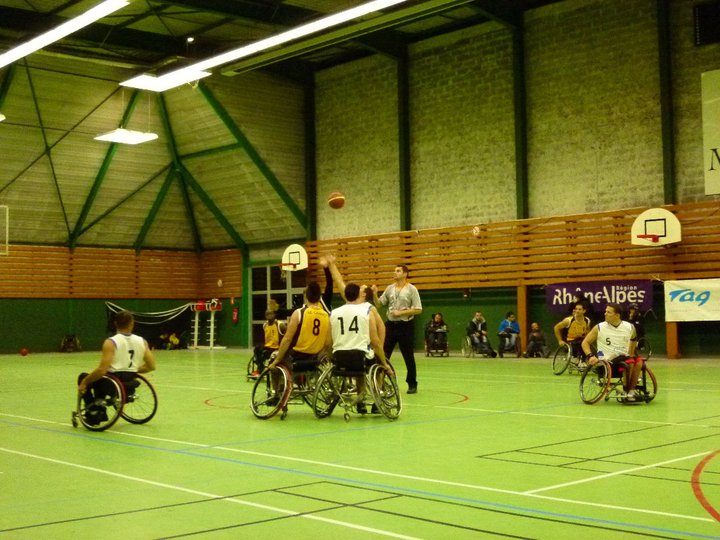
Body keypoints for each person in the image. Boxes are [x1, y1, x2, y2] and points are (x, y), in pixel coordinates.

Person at [77, 310, 156, 424]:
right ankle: (99, 409)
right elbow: (151, 366)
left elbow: (102, 370)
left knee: (84, 377)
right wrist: (132, 370)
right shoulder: (142, 341)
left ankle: (94, 412)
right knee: (101, 378)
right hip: (130, 384)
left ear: (115, 324)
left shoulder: (111, 342)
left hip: (111, 385)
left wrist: (85, 382)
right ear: (132, 323)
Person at [329, 282, 393, 414]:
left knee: (359, 367)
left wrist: (330, 356)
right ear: (358, 294)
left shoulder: (334, 313)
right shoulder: (366, 311)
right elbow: (375, 340)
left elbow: (328, 342)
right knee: (377, 365)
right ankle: (377, 401)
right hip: (360, 355)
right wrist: (384, 361)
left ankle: (360, 403)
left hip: (339, 357)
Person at [372, 264, 423, 394]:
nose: (395, 273)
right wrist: (374, 294)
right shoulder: (389, 289)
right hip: (390, 325)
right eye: (394, 271)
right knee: (383, 354)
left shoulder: (412, 289)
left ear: (405, 274)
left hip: (405, 325)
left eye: (398, 271)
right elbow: (378, 304)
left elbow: (418, 309)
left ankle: (412, 383)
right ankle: (381, 382)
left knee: (408, 356)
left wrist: (401, 313)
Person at [268, 281, 331, 377]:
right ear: (319, 297)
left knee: (273, 358)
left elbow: (287, 339)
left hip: (297, 356)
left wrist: (277, 360)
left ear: (306, 296)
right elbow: (327, 343)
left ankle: (276, 390)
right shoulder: (326, 316)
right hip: (315, 358)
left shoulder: (299, 313)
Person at [582, 302, 642, 402]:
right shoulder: (599, 327)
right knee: (629, 362)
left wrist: (631, 352)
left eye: (609, 312)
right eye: (605, 311)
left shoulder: (629, 327)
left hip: (624, 357)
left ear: (617, 315)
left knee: (639, 361)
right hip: (607, 362)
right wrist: (590, 355)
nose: (605, 313)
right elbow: (585, 342)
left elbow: (634, 339)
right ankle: (626, 391)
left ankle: (631, 391)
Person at [250, 309, 284, 378]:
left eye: (271, 314)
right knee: (257, 349)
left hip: (277, 348)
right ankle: (260, 367)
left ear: (274, 315)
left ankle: (263, 369)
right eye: (267, 314)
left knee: (265, 353)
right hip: (268, 346)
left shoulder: (280, 325)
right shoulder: (265, 325)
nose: (269, 316)